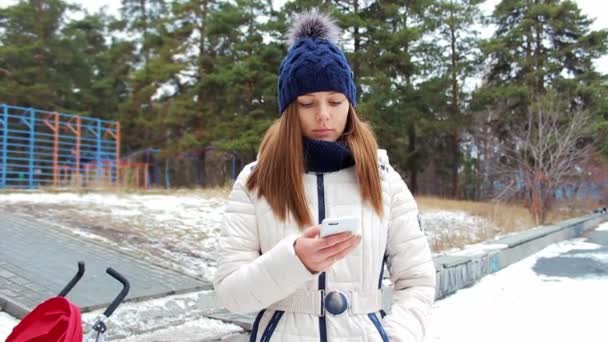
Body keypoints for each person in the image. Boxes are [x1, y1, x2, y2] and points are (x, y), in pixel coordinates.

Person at [213, 9, 436, 342]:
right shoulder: (255, 182)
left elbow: (417, 280)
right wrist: (294, 260)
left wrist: (396, 336)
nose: (323, 116)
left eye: (335, 101)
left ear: (350, 104)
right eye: (306, 102)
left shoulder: (384, 179)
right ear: (289, 109)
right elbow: (231, 293)